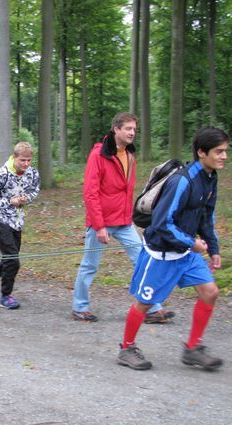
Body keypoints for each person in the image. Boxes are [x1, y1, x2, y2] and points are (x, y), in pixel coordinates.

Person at [117, 127, 229, 371]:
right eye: (218, 152)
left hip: (186, 254)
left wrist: (214, 247)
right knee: (145, 304)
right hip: (161, 254)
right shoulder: (182, 181)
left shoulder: (210, 178)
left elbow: (206, 215)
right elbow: (162, 222)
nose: (224, 156)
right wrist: (192, 243)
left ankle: (192, 348)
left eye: (225, 151)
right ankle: (127, 348)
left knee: (210, 292)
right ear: (201, 152)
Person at [71, 112, 174, 323]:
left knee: (143, 260)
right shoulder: (98, 155)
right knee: (90, 265)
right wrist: (99, 226)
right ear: (116, 129)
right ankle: (79, 307)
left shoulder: (129, 155)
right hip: (101, 223)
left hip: (124, 222)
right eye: (128, 129)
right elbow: (90, 193)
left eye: (134, 129)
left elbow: (126, 192)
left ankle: (153, 308)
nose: (132, 133)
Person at [0, 141, 40, 309]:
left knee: (9, 258)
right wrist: (9, 201)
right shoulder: (2, 174)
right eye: (22, 160)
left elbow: (35, 189)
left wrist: (27, 198)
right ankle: (6, 296)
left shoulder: (32, 173)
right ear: (14, 158)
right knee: (13, 260)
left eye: (28, 160)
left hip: (17, 221)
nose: (26, 164)